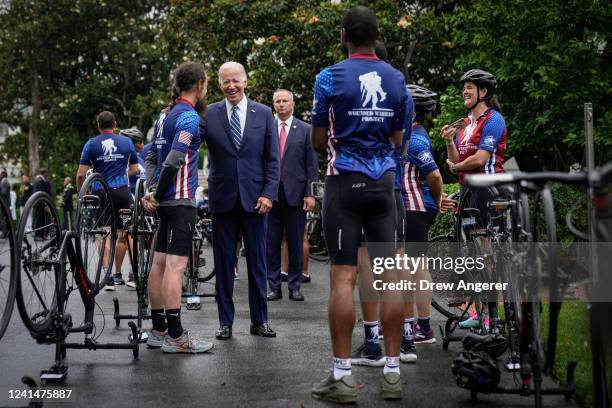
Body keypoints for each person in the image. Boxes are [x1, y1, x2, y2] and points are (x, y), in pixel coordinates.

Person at [310, 6, 409, 403]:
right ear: (375, 35)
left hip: (344, 181)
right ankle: (393, 374)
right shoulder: (396, 77)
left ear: (345, 35)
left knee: (343, 278)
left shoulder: (329, 76)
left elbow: (318, 140)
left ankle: (342, 376)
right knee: (390, 279)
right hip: (384, 183)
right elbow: (398, 138)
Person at [203, 61, 279, 341]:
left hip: (257, 200)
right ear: (219, 84)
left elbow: (273, 159)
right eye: (226, 81)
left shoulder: (264, 113)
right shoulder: (208, 114)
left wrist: (269, 193)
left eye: (236, 80)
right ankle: (225, 323)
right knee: (223, 264)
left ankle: (260, 321)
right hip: (222, 200)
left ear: (246, 82)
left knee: (258, 263)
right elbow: (185, 145)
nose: (231, 86)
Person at [350, 39, 414, 369]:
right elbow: (400, 139)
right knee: (397, 262)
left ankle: (374, 342)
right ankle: (404, 336)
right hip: (394, 185)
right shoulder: (402, 90)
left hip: (364, 184)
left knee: (366, 263)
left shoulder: (353, 86)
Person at [142, 61, 214, 353]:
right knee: (176, 266)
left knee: (159, 264)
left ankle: (158, 330)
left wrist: (151, 189)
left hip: (164, 201)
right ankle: (176, 336)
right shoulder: (188, 118)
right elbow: (172, 160)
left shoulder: (165, 116)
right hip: (179, 201)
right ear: (199, 85)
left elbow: (148, 157)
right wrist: (157, 193)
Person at [441, 69, 506, 329]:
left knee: (486, 254)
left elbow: (479, 159)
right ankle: (480, 313)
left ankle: (492, 315)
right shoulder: (465, 123)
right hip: (469, 190)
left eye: (470, 87)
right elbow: (456, 161)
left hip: (487, 190)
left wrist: (456, 168)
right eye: (464, 87)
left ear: (484, 92)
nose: (464, 92)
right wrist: (448, 143)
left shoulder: (494, 119)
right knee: (473, 255)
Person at [399, 85, 443, 363]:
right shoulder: (410, 135)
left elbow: (435, 176)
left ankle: (420, 327)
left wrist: (437, 203)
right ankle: (414, 325)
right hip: (409, 209)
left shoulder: (415, 141)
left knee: (411, 268)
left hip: (413, 210)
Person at [77, 111, 139, 291]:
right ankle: (134, 274)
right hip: (122, 191)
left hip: (100, 191)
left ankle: (108, 276)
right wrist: (121, 174)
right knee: (127, 233)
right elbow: (135, 169)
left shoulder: (91, 144)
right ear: (115, 124)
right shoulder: (127, 142)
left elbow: (81, 174)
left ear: (98, 125)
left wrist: (83, 192)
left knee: (104, 232)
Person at [266, 89, 318, 302]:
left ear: (293, 103)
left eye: (285, 101)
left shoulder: (306, 130)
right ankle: (274, 286)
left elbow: (312, 165)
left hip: (296, 195)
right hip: (271, 194)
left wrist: (310, 193)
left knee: (296, 242)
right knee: (271, 243)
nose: (281, 104)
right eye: (277, 101)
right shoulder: (267, 129)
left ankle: (295, 286)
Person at [119, 127, 146, 288]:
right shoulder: (126, 159)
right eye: (139, 142)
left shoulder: (139, 159)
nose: (142, 145)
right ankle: (132, 273)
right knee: (132, 237)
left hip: (142, 201)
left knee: (140, 238)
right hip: (131, 200)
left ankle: (133, 271)